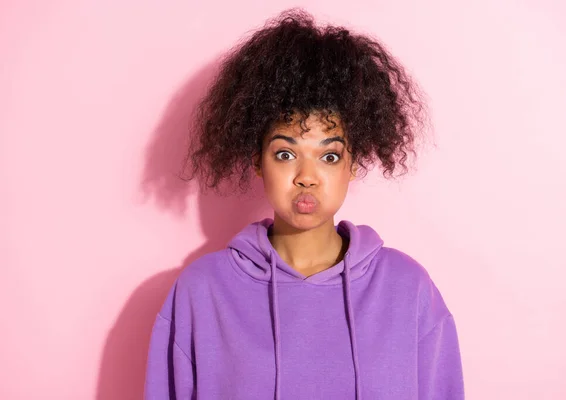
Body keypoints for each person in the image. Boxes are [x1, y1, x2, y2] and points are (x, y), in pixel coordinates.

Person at [144, 8, 464, 400]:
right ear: (256, 161)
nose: (306, 176)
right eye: (284, 154)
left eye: (329, 156)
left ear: (353, 164)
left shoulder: (407, 289)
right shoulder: (202, 291)